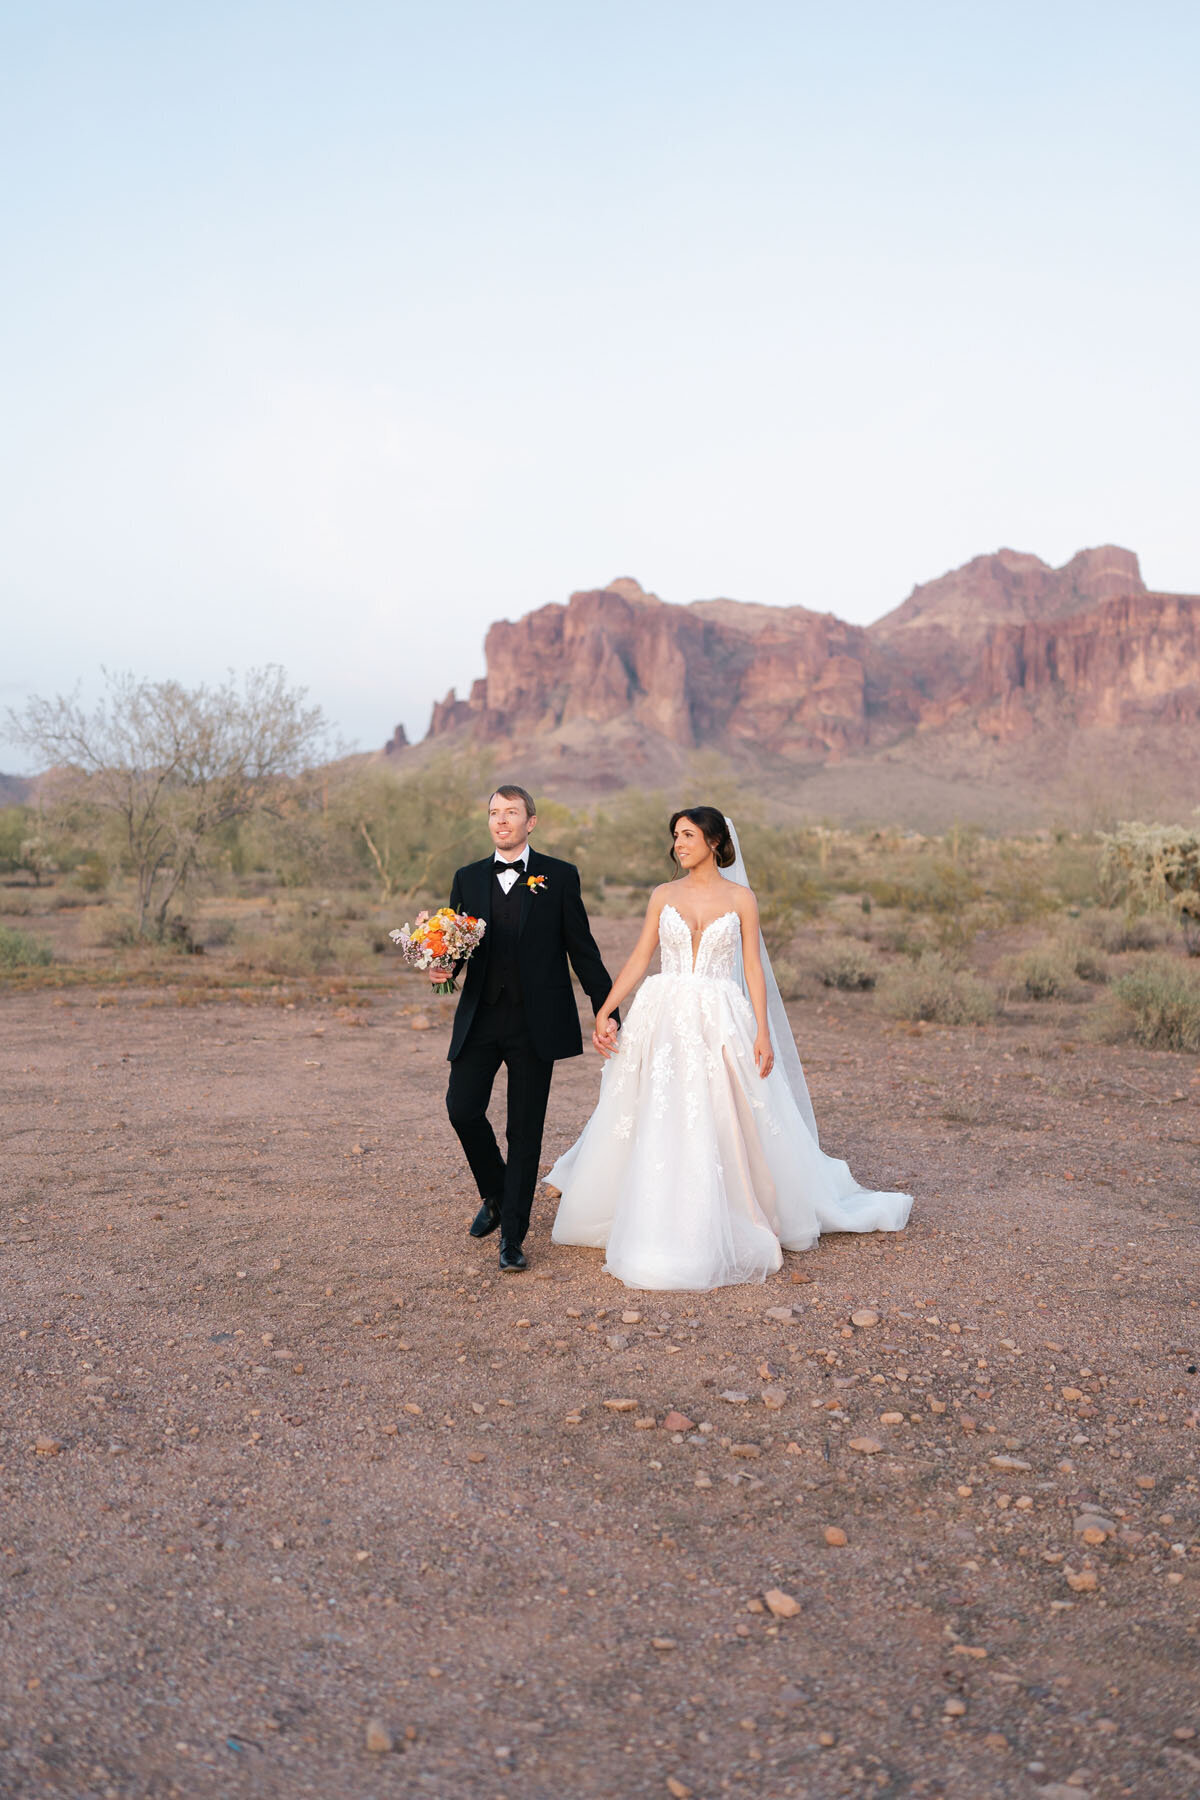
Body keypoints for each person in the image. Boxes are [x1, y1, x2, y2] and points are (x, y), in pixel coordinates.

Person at [549, 806, 912, 1289]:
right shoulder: (663, 894)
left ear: (715, 842)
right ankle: (653, 1202)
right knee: (658, 1105)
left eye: (688, 835)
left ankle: (731, 1204)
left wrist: (763, 1031)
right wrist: (606, 1009)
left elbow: (754, 968)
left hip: (721, 1014)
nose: (678, 844)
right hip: (665, 1011)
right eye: (675, 835)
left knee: (722, 1107)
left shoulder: (742, 898)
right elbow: (641, 957)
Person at [442, 785, 617, 1272]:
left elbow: (582, 949)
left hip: (535, 1023)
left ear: (530, 822)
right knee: (462, 1109)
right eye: (494, 813)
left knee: (525, 1132)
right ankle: (497, 1194)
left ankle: (513, 1237)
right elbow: (457, 944)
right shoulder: (467, 878)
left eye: (511, 813)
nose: (501, 821)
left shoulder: (559, 877)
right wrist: (444, 968)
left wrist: (606, 1009)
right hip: (480, 1019)